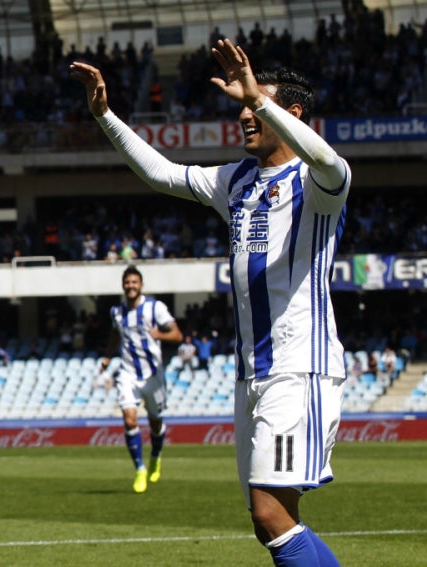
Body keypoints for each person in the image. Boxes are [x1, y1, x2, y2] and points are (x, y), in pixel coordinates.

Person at [72, 38, 349, 566]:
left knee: (271, 514)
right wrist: (105, 115)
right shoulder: (237, 180)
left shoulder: (319, 182)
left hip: (300, 368)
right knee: (267, 520)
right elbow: (162, 174)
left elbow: (327, 157)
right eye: (242, 105)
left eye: (255, 105)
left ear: (291, 113)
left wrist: (259, 97)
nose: (245, 114)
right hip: (251, 373)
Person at [100, 265, 182, 494]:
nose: (130, 286)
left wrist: (160, 334)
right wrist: (107, 357)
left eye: (134, 282)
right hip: (127, 374)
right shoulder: (117, 312)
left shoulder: (155, 308)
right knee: (129, 420)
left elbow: (177, 335)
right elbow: (115, 334)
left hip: (153, 374)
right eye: (127, 282)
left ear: (141, 285)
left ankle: (155, 455)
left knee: (155, 422)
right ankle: (140, 468)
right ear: (123, 285)